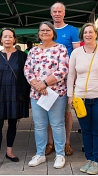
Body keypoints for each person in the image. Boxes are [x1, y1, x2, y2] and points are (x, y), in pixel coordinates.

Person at [24, 21, 69, 169]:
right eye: (42, 30)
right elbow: (27, 70)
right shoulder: (33, 51)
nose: (44, 32)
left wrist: (44, 83)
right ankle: (40, 154)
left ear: (53, 33)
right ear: (39, 33)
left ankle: (60, 155)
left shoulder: (60, 49)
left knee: (57, 124)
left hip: (56, 93)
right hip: (37, 94)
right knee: (39, 125)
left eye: (47, 30)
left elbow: (62, 70)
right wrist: (37, 84)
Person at [67, 23, 98, 175]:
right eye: (85, 33)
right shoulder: (76, 52)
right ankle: (89, 159)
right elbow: (71, 75)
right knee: (85, 130)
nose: (88, 35)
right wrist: (70, 95)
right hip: (80, 98)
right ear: (82, 35)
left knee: (97, 130)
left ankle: (96, 160)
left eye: (91, 32)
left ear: (96, 34)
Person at [0, 28, 30, 170]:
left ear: (14, 39)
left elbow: (26, 76)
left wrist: (26, 95)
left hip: (15, 93)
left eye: (10, 37)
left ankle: (10, 152)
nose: (7, 39)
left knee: (13, 123)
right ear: (1, 39)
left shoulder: (22, 56)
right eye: (5, 37)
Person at [45, 2, 80, 156]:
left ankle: (67, 143)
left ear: (64, 13)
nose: (57, 14)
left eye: (60, 11)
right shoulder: (47, 31)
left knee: (66, 113)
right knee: (49, 110)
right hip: (49, 79)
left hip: (66, 79)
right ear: (51, 14)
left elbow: (78, 55)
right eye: (55, 12)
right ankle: (50, 143)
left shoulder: (72, 30)